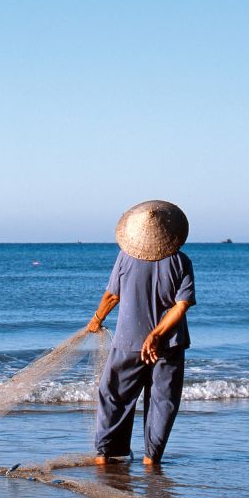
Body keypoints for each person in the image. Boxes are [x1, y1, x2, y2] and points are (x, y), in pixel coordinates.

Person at [86, 200, 196, 466]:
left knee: (114, 396)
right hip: (169, 344)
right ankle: (151, 458)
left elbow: (112, 295)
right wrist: (157, 335)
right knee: (163, 402)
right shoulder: (181, 261)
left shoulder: (125, 257)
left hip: (128, 342)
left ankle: (106, 454)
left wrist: (97, 319)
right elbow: (181, 306)